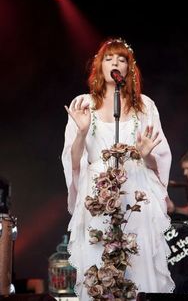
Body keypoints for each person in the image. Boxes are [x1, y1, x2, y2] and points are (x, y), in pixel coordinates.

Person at [61, 37, 175, 299]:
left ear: (129, 68)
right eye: (110, 58)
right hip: (97, 191)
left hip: (136, 187)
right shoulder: (83, 103)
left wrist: (144, 155)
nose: (116, 63)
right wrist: (81, 132)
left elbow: (158, 158)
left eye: (122, 59)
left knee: (139, 259)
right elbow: (74, 159)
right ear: (100, 66)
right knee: (99, 258)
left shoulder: (144, 105)